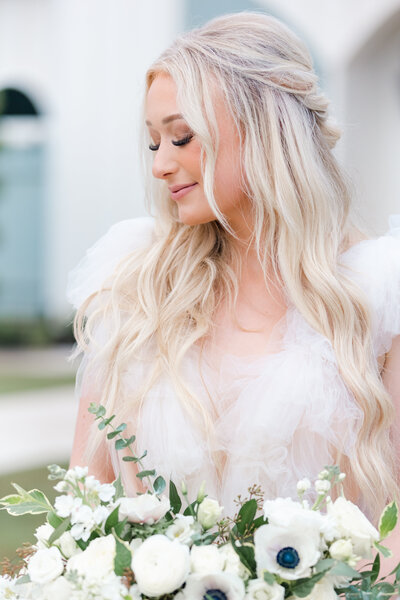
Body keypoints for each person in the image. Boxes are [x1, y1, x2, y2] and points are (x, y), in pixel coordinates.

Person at [67, 12, 400, 562]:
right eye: (154, 144)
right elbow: (86, 504)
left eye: (181, 136)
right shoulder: (139, 290)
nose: (161, 165)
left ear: (264, 127)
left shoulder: (376, 293)